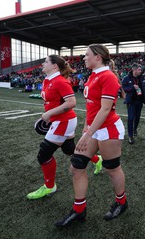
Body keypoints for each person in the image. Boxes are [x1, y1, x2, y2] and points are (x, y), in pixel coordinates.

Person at [55, 44, 127, 227]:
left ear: (98, 57)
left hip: (109, 128)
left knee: (112, 168)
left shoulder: (108, 76)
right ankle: (79, 210)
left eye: (87, 55)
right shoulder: (93, 76)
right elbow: (91, 108)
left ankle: (121, 202)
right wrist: (86, 129)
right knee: (76, 166)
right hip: (95, 128)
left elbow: (104, 110)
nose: (84, 58)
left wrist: (88, 135)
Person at [26, 55, 103, 201]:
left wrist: (49, 113)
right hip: (61, 121)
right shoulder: (48, 80)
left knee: (44, 154)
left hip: (64, 121)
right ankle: (96, 159)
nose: (43, 63)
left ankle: (50, 186)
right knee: (69, 149)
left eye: (46, 62)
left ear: (55, 66)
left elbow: (71, 102)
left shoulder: (60, 81)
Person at [122, 63, 145, 144]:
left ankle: (135, 129)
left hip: (139, 101)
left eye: (140, 70)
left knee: (137, 117)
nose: (140, 71)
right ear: (134, 70)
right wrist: (132, 87)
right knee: (131, 118)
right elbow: (124, 88)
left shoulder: (142, 78)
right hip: (131, 101)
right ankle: (130, 135)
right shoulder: (127, 78)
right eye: (139, 69)